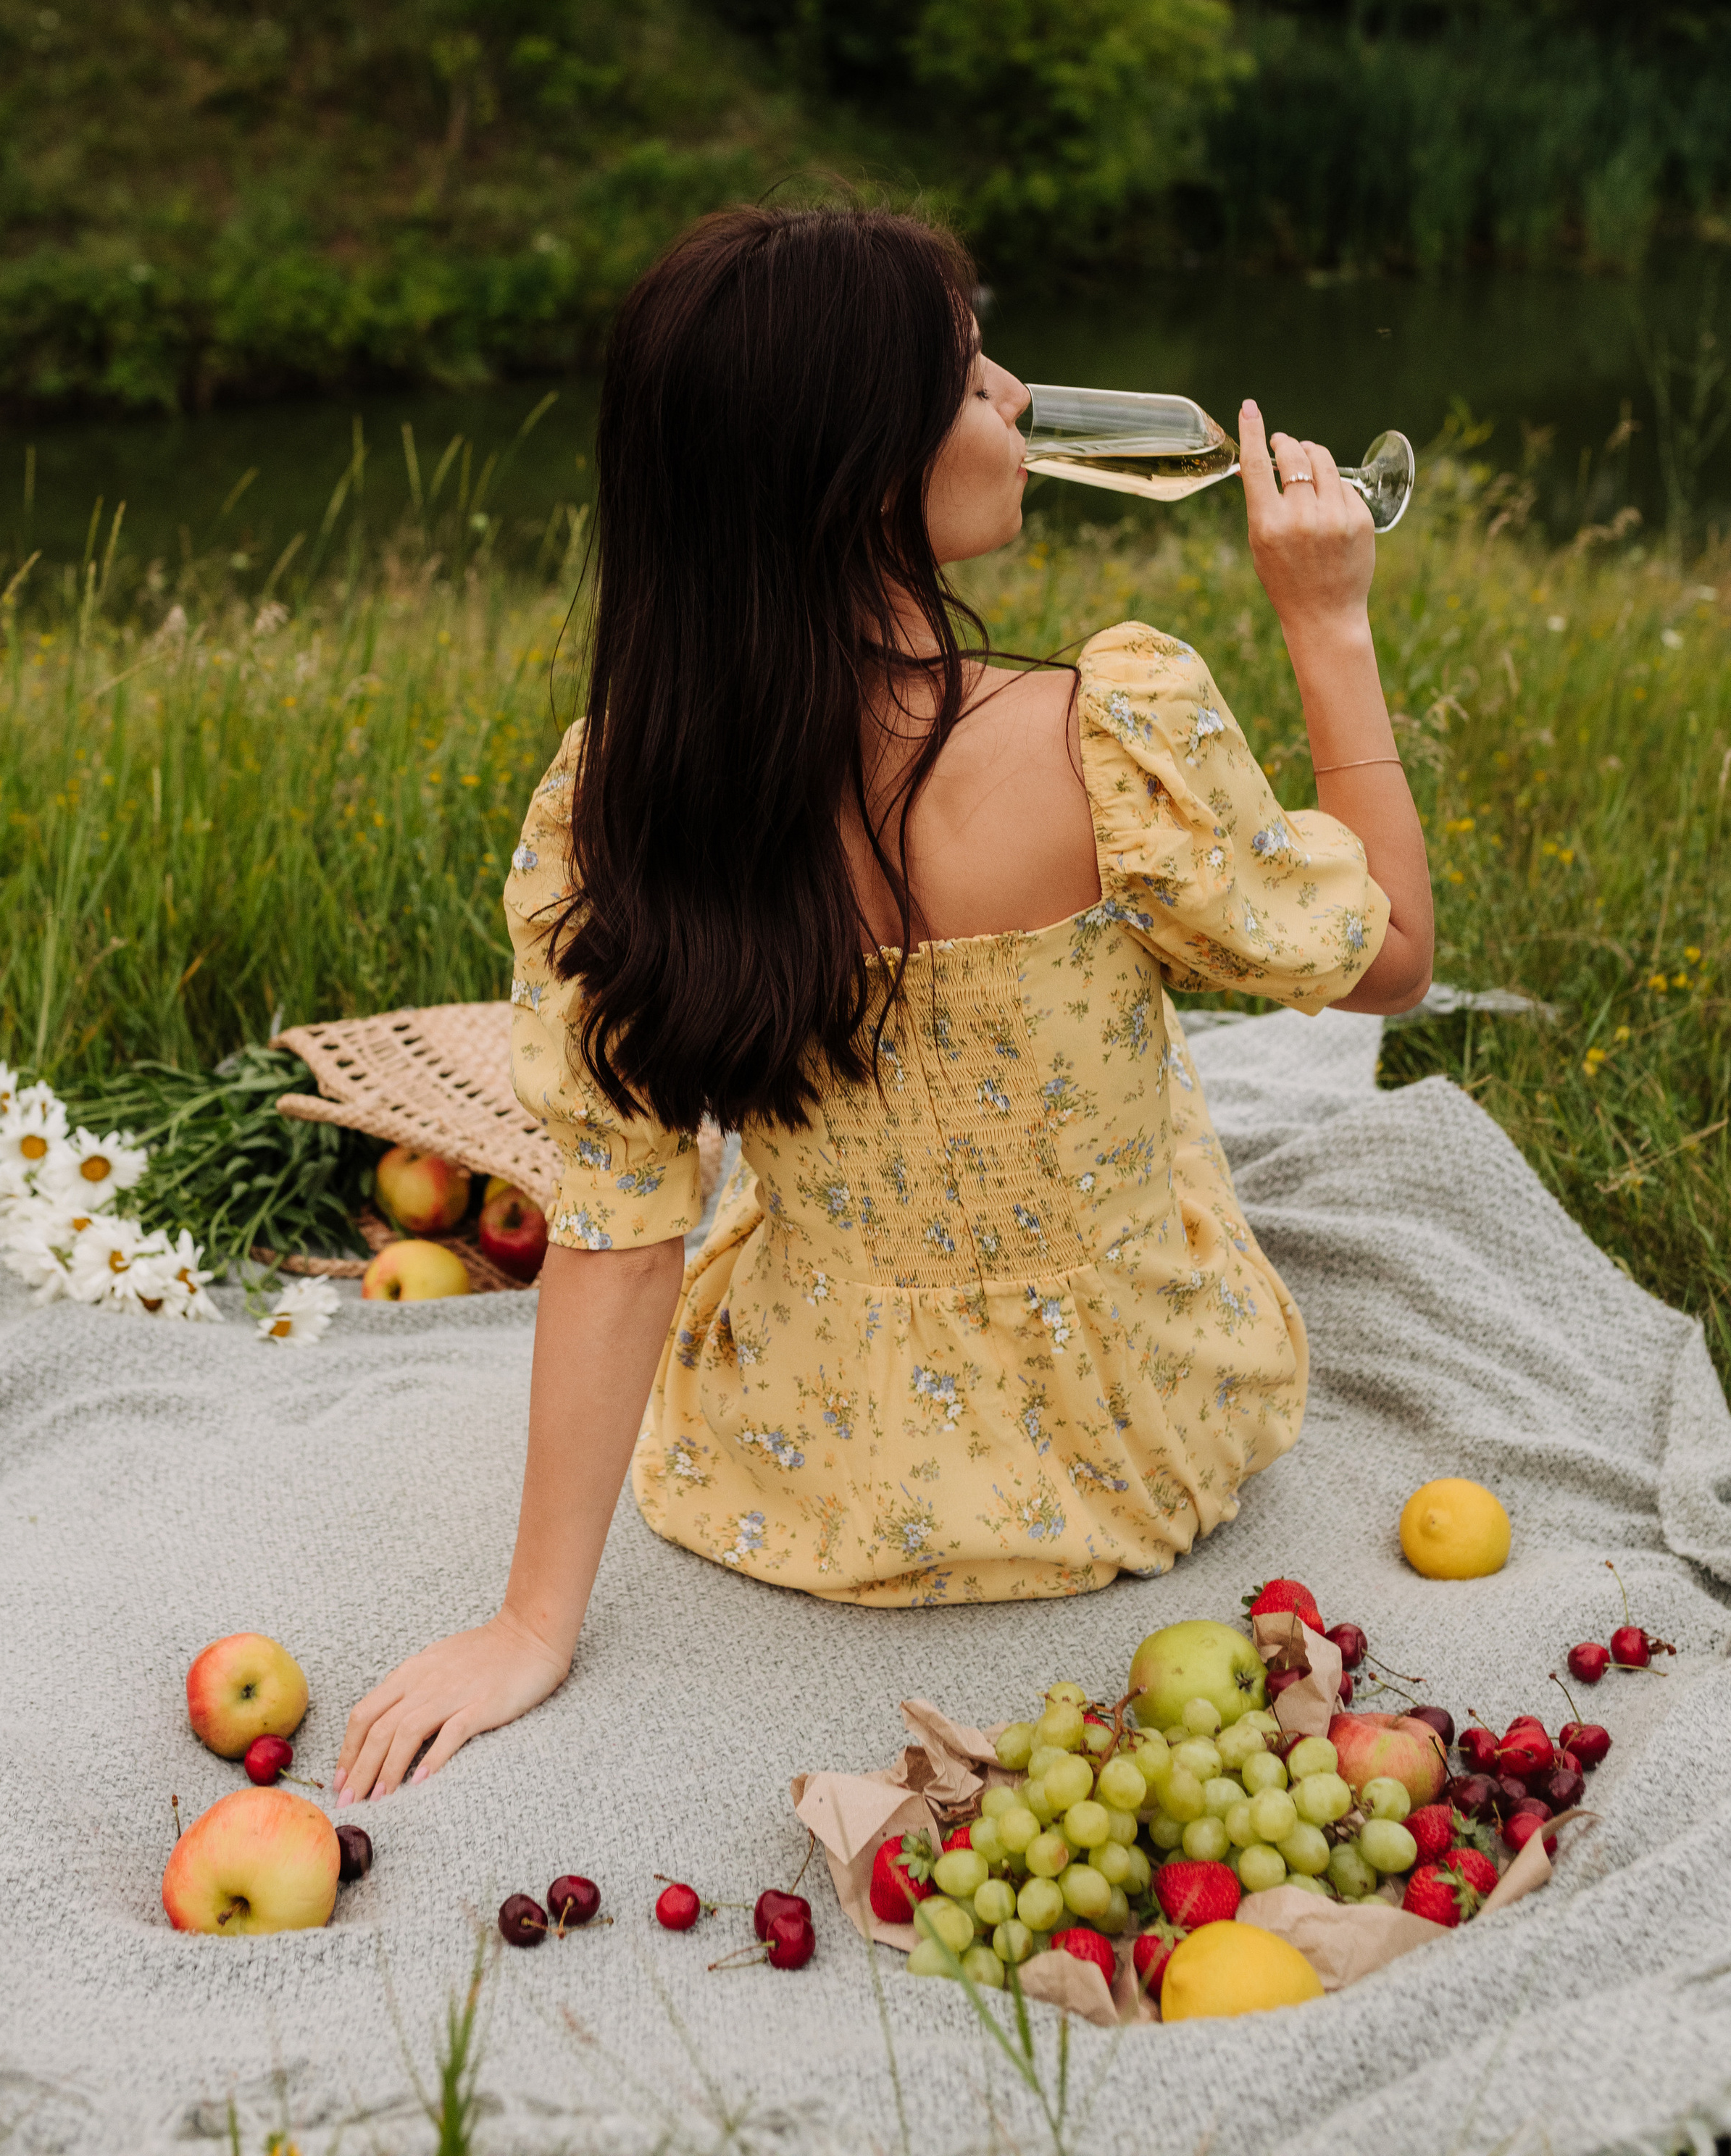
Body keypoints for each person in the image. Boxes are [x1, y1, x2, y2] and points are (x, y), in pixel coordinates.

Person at [335, 204, 1432, 1805]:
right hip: (1140, 1440)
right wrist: (1326, 622)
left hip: (814, 1471)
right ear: (860, 474)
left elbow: (619, 1226)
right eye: (971, 381)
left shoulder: (621, 805)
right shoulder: (1104, 733)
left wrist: (530, 1621)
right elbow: (1386, 956)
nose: (1014, 407)